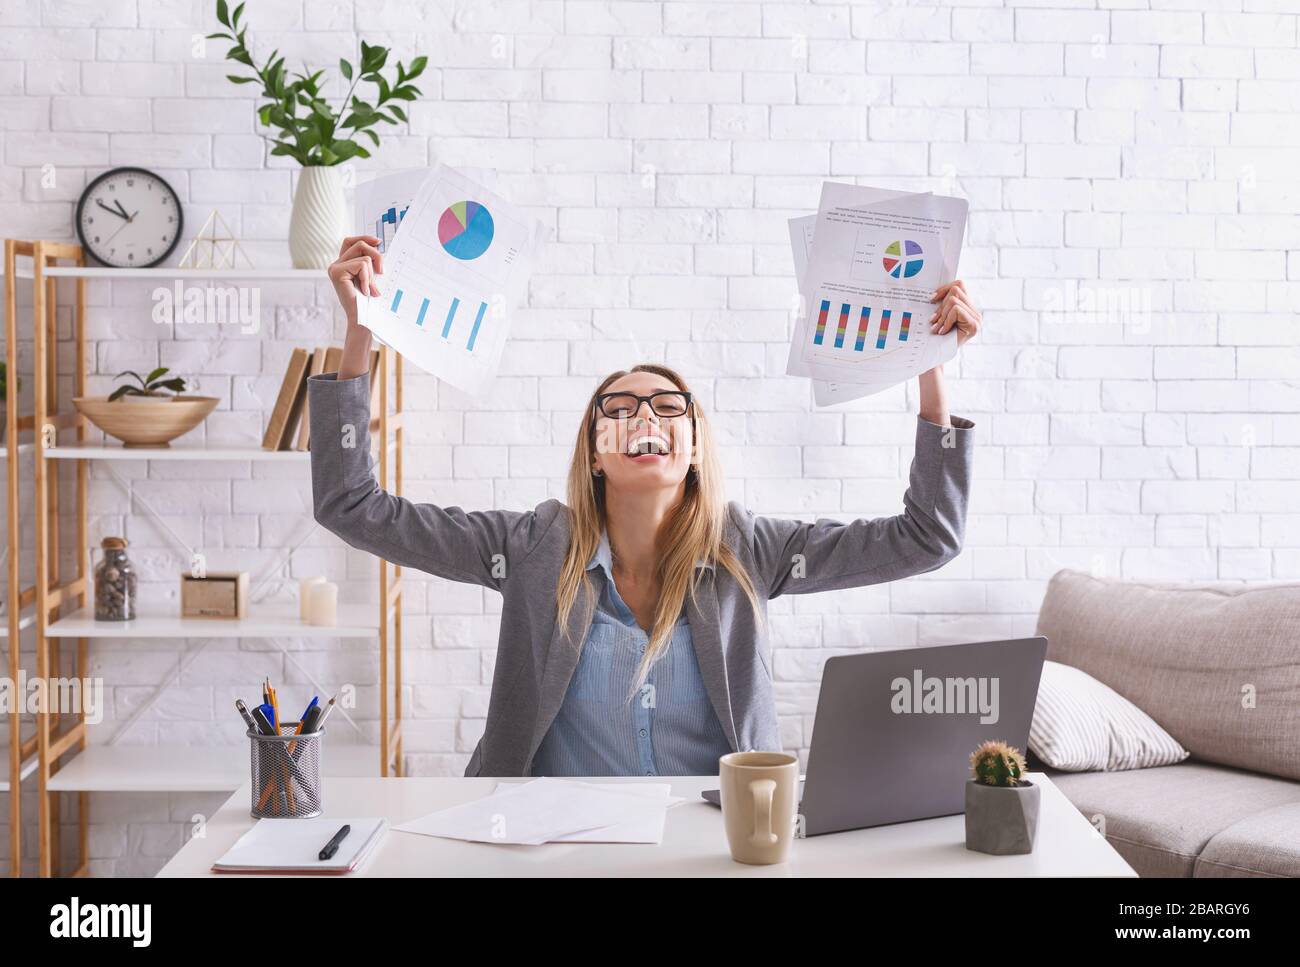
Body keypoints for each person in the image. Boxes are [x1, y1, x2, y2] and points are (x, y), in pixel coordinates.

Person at [310, 234, 981, 777]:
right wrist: (361, 331)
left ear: (693, 449)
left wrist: (932, 369)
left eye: (666, 407)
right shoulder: (533, 547)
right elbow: (352, 504)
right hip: (555, 847)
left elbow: (928, 536)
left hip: (713, 847)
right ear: (596, 453)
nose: (643, 417)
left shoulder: (749, 548)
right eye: (619, 409)